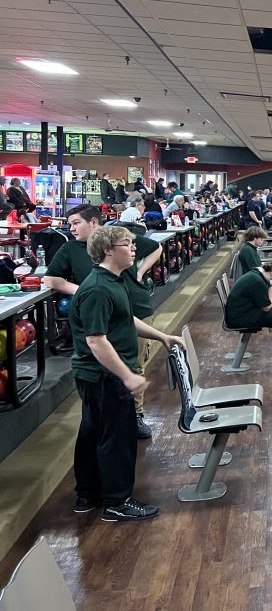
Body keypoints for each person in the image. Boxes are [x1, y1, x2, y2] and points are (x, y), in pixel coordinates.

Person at [69, 225, 185, 521]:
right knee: (118, 438)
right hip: (105, 375)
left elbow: (125, 319)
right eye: (127, 244)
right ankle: (117, 502)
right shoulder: (97, 288)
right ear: (108, 250)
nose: (134, 249)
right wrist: (127, 375)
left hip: (100, 375)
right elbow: (96, 341)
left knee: (94, 432)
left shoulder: (111, 281)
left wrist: (162, 336)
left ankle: (89, 495)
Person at [44, 204, 164, 438]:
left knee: (134, 364)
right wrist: (82, 291)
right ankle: (118, 423)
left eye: (76, 223)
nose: (72, 228)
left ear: (94, 222)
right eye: (70, 224)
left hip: (135, 307)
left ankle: (136, 416)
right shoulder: (72, 250)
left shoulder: (118, 238)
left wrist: (140, 272)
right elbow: (51, 279)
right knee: (113, 369)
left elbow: (156, 247)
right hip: (102, 312)